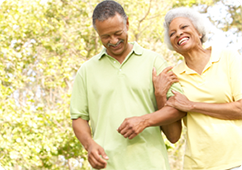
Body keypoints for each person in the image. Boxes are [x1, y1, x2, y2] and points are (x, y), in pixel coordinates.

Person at [70, 0, 186, 169]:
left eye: (118, 33)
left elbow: (179, 106)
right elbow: (79, 117)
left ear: (128, 24)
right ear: (98, 34)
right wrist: (89, 145)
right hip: (108, 165)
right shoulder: (86, 71)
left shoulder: (154, 61)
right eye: (106, 36)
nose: (114, 40)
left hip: (152, 164)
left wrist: (145, 120)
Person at [153, 7, 242, 170]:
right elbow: (173, 136)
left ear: (199, 32)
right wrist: (160, 95)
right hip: (199, 165)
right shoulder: (174, 76)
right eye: (172, 33)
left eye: (184, 27)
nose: (178, 34)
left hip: (237, 160)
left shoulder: (228, 57)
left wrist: (193, 106)